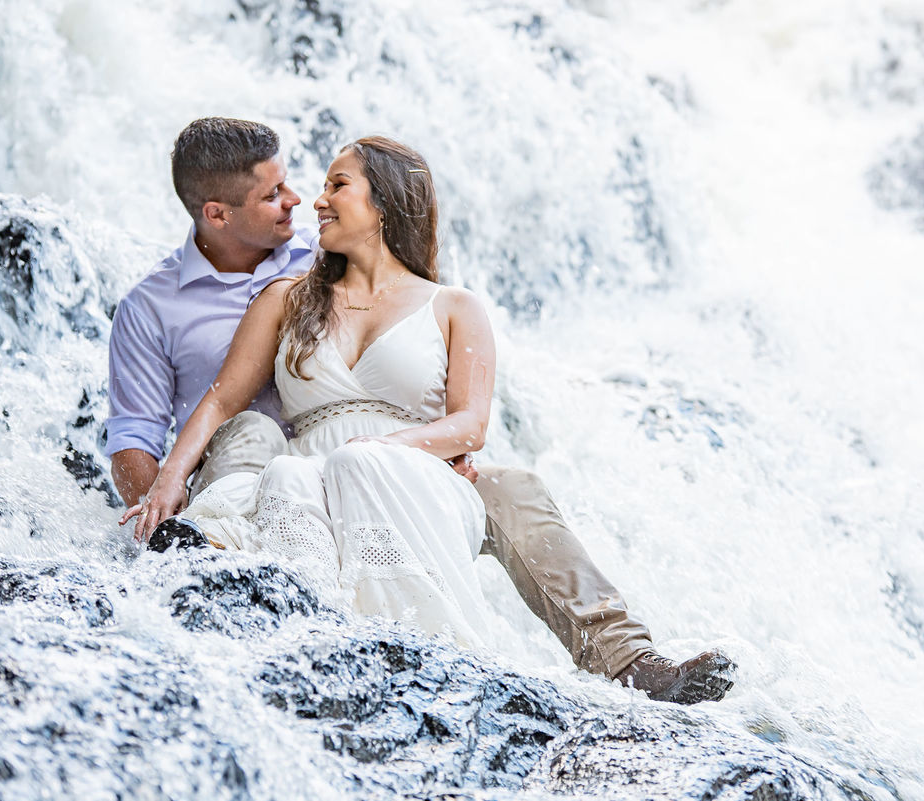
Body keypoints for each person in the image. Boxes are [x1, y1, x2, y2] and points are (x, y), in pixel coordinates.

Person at [106, 117, 733, 702]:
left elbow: (471, 423)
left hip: (410, 467)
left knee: (514, 489)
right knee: (256, 439)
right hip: (302, 467)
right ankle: (206, 567)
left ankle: (631, 663)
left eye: (335, 186)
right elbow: (220, 400)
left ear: (385, 204)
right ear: (219, 214)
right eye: (286, 193)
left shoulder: (453, 304)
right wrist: (167, 482)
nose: (309, 201)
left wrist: (396, 450)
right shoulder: (283, 293)